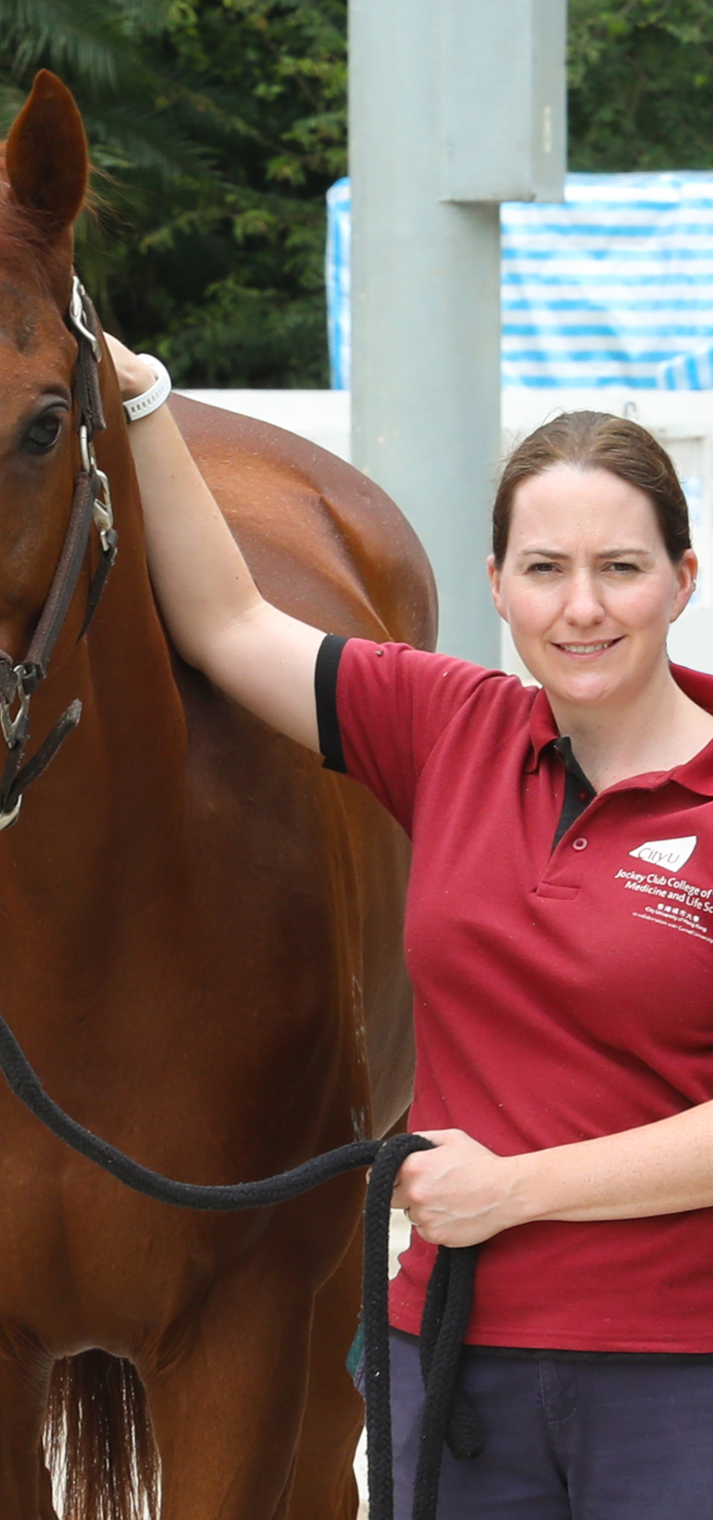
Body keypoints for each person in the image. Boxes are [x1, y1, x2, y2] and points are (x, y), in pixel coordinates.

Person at [108, 334, 713, 1520]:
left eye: (621, 568)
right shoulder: (451, 729)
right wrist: (144, 404)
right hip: (455, 1362)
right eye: (545, 569)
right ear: (496, 585)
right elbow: (229, 625)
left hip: (679, 1370)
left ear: (683, 579)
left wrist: (518, 1192)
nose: (581, 607)